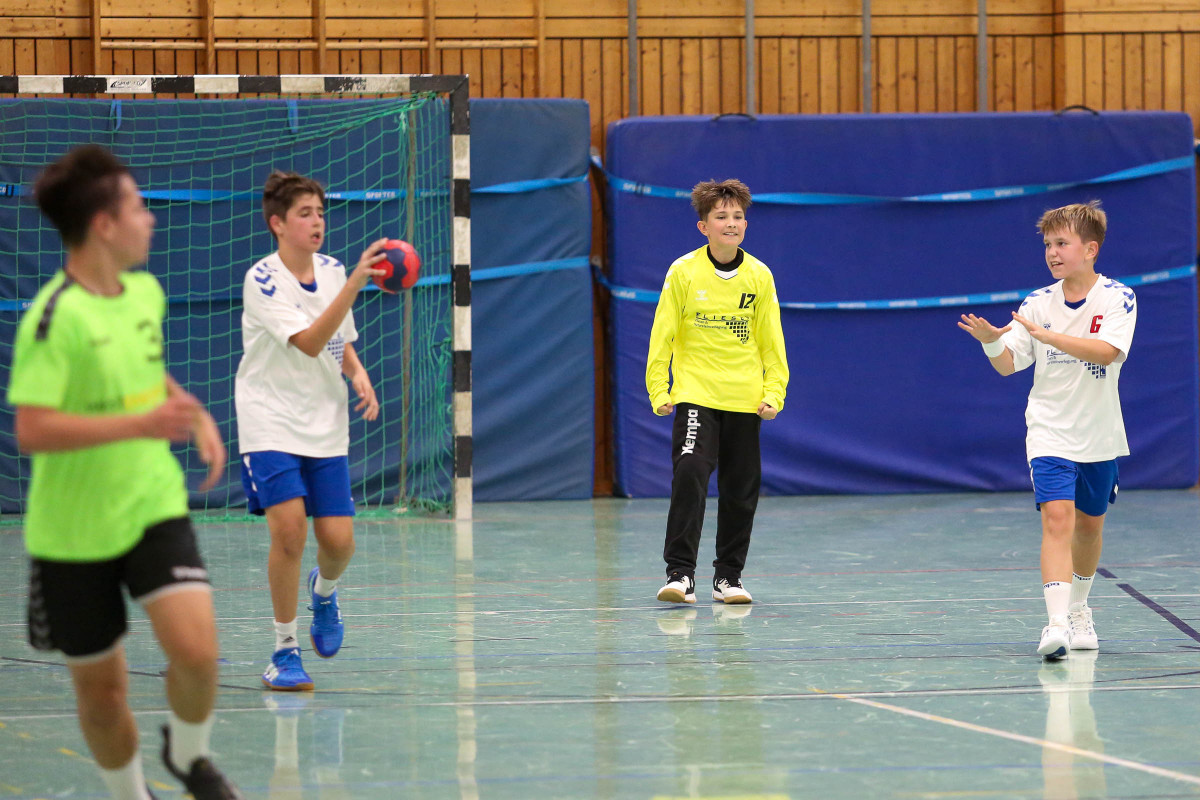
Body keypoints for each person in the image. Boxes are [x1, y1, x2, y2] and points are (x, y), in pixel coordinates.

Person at [7, 144, 241, 799]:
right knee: (104, 697)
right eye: (139, 207)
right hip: (72, 533)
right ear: (104, 225)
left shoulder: (144, 292)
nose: (151, 218)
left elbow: (145, 370)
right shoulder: (54, 319)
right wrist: (138, 424)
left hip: (150, 502)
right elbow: (33, 429)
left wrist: (191, 411)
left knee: (197, 653)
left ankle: (188, 756)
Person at [958, 200, 1136, 659]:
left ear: (1090, 249)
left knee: (1089, 527)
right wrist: (990, 343)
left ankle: (1079, 610)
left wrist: (1049, 336)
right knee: (1058, 518)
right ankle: (1056, 624)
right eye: (1048, 245)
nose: (1053, 253)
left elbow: (1106, 352)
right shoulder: (1036, 303)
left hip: (1099, 433)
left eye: (1062, 243)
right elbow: (1008, 365)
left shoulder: (1118, 297)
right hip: (1049, 429)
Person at [235, 170, 388, 691]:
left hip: (324, 419)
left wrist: (357, 371)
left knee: (339, 543)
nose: (317, 222)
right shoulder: (262, 279)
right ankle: (284, 650)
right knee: (289, 532)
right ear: (278, 224)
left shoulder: (333, 270)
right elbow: (307, 341)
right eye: (305, 213)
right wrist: (354, 286)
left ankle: (323, 591)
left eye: (321, 212)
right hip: (269, 418)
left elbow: (337, 340)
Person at [645, 178, 789, 606]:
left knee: (741, 487)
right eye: (721, 217)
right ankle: (680, 574)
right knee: (691, 471)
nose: (731, 223)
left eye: (738, 217)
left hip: (745, 398)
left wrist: (774, 392)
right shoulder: (683, 271)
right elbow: (663, 334)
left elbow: (771, 340)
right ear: (703, 226)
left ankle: (728, 577)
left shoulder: (759, 275)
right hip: (696, 394)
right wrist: (659, 388)